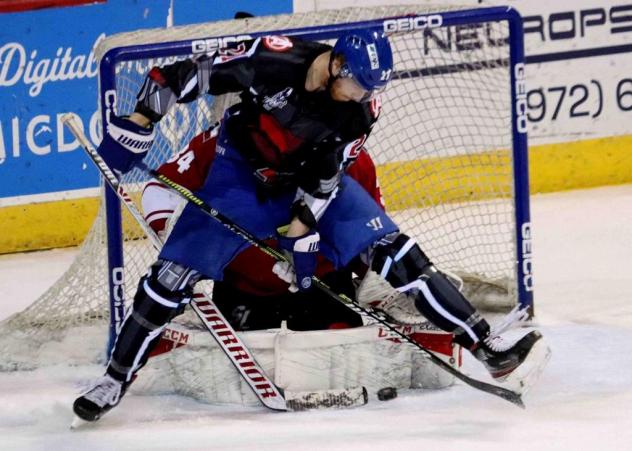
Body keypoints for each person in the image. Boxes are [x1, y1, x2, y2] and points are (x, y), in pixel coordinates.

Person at [74, 31, 548, 422]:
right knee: (169, 279)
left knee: (394, 249)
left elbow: (325, 175)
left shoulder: (360, 112)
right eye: (360, 84)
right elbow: (177, 76)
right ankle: (114, 379)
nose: (366, 96)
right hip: (239, 173)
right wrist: (140, 120)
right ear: (337, 65)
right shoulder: (272, 59)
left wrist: (302, 231)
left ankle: (485, 346)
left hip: (305, 183)